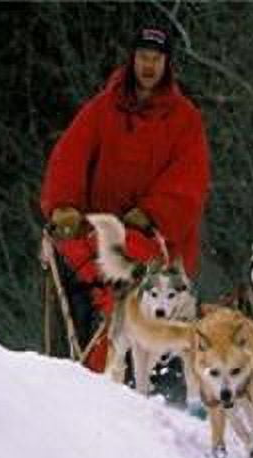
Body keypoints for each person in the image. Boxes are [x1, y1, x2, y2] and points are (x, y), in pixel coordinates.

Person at [41, 23, 211, 372]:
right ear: (132, 60)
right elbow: (69, 157)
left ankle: (114, 371)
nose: (149, 66)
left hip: (154, 236)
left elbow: (189, 178)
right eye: (143, 57)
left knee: (126, 278)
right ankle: (85, 365)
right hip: (98, 228)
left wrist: (152, 213)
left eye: (157, 59)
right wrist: (64, 206)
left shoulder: (185, 119)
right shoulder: (102, 109)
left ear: (167, 65)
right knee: (81, 268)